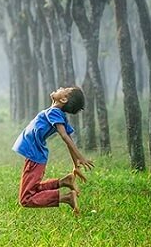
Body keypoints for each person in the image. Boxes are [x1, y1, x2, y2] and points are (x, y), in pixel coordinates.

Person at [12, 86, 94, 214]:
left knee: (26, 199)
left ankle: (66, 198)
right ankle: (64, 182)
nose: (60, 88)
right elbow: (69, 140)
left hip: (35, 156)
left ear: (63, 99)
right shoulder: (56, 113)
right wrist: (75, 165)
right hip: (35, 155)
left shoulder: (54, 112)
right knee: (34, 188)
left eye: (64, 89)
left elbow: (65, 136)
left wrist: (80, 157)